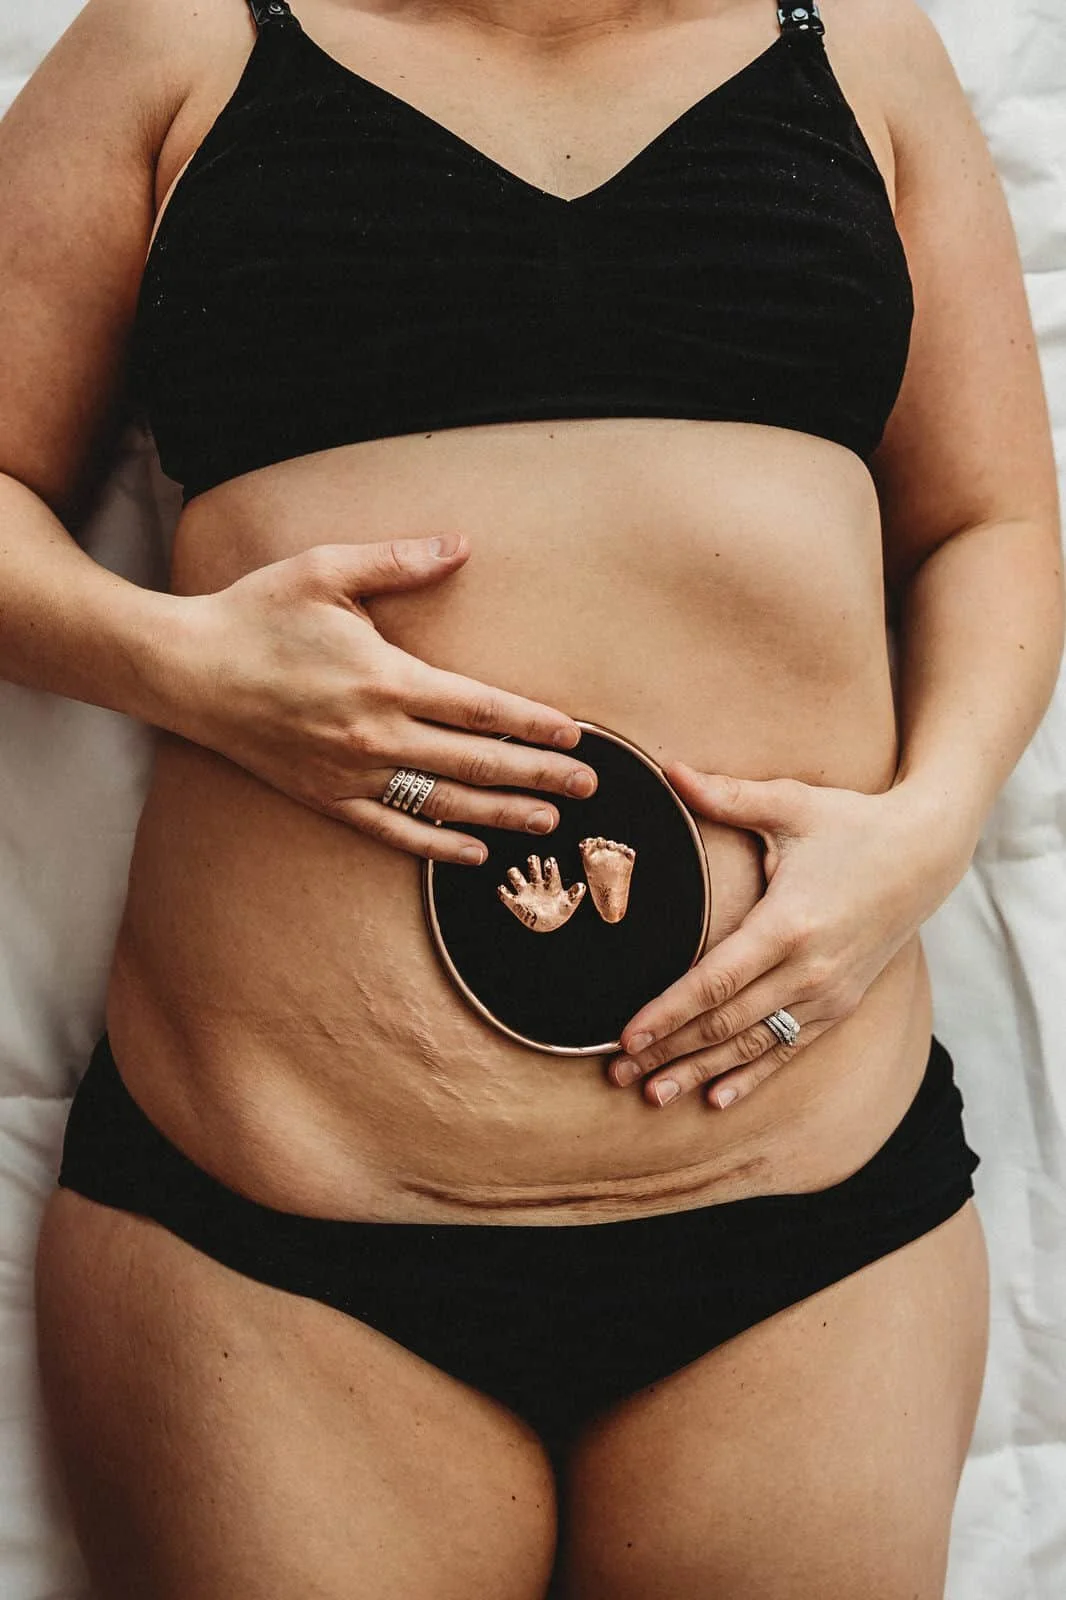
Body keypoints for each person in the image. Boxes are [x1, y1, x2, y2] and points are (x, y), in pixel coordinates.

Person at [1, 0, 1061, 1592]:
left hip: (808, 1219)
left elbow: (989, 524)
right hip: (271, 1240)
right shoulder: (179, 38)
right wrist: (189, 667)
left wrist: (932, 823)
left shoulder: (855, 46)